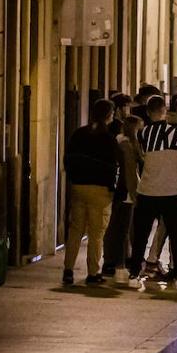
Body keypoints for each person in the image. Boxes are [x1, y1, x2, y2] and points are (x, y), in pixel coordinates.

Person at [128, 95, 177, 291]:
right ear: (165, 111)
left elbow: (139, 160)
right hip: (172, 191)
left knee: (141, 235)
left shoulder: (143, 134)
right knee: (176, 235)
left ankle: (133, 274)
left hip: (147, 190)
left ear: (148, 113)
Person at [62, 99, 121, 286]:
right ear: (109, 115)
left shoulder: (79, 134)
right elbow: (113, 166)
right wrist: (112, 188)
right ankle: (93, 272)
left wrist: (74, 179)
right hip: (100, 190)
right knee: (96, 233)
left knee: (75, 230)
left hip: (79, 187)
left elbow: (68, 159)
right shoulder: (108, 138)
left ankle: (68, 270)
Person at [101, 115, 143, 285]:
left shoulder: (117, 142)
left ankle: (111, 262)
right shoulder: (127, 145)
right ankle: (120, 266)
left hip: (116, 191)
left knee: (114, 229)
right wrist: (135, 194)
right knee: (123, 230)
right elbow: (131, 173)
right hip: (125, 193)